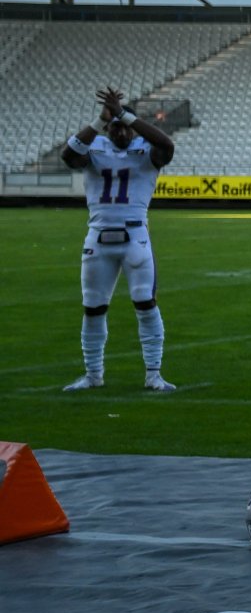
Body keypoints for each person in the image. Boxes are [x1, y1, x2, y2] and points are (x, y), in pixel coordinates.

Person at [61, 87, 178, 392]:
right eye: (115, 127)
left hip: (134, 236)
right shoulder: (95, 146)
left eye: (125, 127)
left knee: (145, 303)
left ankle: (154, 374)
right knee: (93, 307)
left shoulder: (145, 149)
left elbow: (167, 145)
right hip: (98, 236)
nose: (122, 132)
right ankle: (93, 375)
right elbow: (68, 155)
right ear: (107, 128)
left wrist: (125, 115)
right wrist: (100, 120)